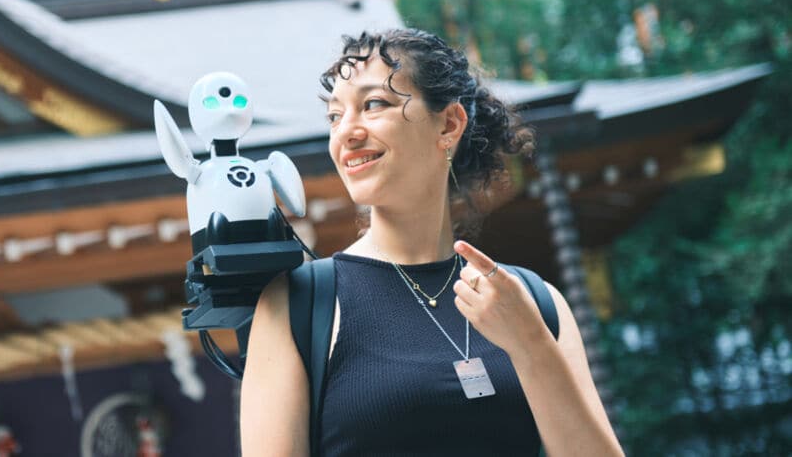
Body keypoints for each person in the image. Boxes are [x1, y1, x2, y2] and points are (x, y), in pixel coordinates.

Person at [240, 29, 624, 456]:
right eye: (335, 116)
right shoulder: (299, 303)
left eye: (373, 105)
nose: (346, 133)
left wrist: (531, 344)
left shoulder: (533, 301)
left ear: (449, 124)